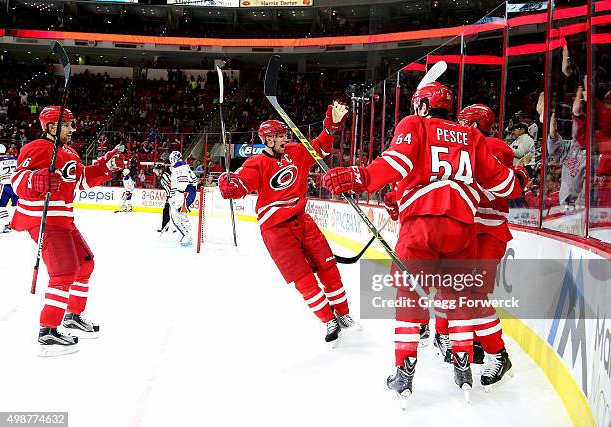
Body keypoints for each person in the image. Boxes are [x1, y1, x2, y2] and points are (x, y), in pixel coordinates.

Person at [322, 83, 528, 403]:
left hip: (421, 227)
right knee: (460, 295)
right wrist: (521, 179)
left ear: (421, 106)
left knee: (409, 296)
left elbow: (397, 163)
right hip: (462, 230)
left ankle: (404, 372)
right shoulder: (472, 138)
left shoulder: (414, 124)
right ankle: (462, 364)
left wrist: (362, 176)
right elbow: (504, 185)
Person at [217, 101, 360, 346]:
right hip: (275, 231)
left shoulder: (295, 151)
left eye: (285, 134)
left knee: (328, 268)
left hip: (302, 220)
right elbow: (243, 184)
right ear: (268, 140)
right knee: (303, 278)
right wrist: (231, 185)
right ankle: (328, 319)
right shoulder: (256, 163)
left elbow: (320, 148)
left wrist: (332, 126)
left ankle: (343, 313)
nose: (285, 138)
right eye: (280, 136)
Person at [10, 106, 125, 356]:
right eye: (67, 125)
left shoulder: (69, 152)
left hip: (64, 220)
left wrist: (106, 167)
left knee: (85, 266)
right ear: (51, 126)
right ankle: (48, 331)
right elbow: (17, 181)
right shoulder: (37, 148)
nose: (73, 129)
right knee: (64, 273)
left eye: (73, 124)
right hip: (46, 221)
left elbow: (80, 181)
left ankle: (72, 316)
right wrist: (35, 179)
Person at [455, 103, 515, 389]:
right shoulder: (466, 147)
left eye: (465, 122)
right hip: (472, 231)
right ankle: (478, 344)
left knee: (474, 294)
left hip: (488, 232)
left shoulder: (494, 147)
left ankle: (498, 354)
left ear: (477, 124)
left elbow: (499, 184)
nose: (459, 127)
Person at [168, 151, 197, 246]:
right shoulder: (184, 166)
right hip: (186, 192)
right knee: (182, 216)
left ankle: (186, 235)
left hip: (184, 193)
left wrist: (177, 196)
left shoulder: (179, 167)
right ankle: (187, 235)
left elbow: (183, 183)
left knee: (176, 216)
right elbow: (194, 180)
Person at [0, 143, 18, 233]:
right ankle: (15, 223)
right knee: (15, 205)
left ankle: (6, 224)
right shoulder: (14, 159)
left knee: (0, 206)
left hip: (5, 185)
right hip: (15, 184)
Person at [153, 163, 171, 232]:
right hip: (170, 196)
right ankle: (165, 227)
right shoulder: (163, 176)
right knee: (167, 212)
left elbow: (171, 184)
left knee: (167, 212)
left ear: (160, 170)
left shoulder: (164, 176)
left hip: (172, 196)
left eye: (156, 170)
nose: (155, 172)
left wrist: (171, 196)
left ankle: (166, 227)